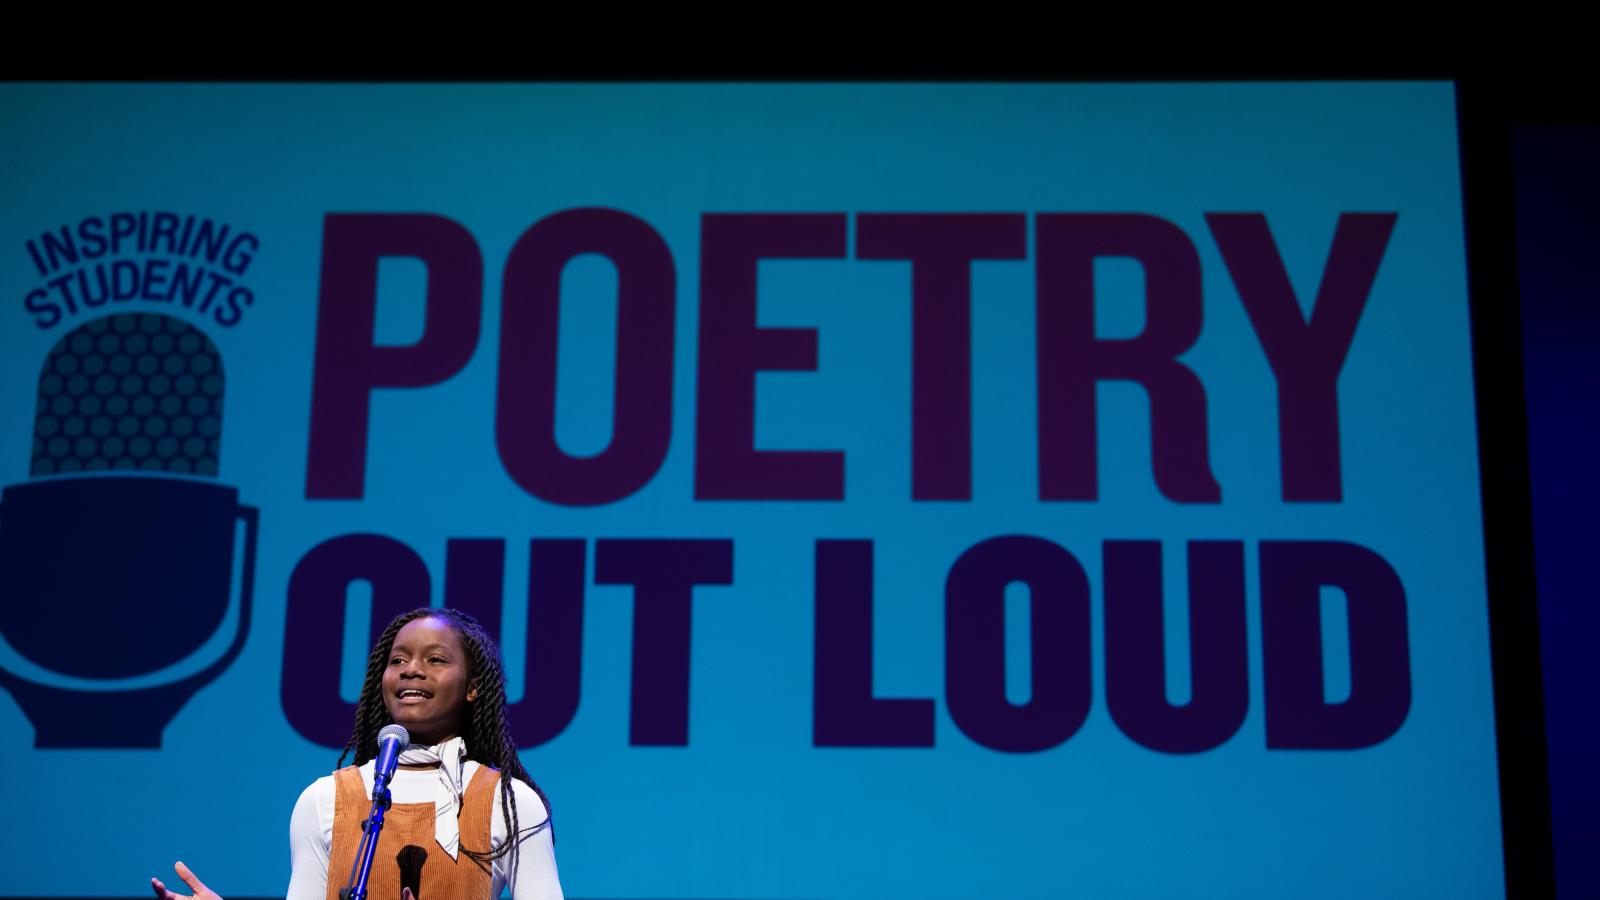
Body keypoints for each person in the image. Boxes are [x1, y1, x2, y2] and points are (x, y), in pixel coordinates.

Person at [154, 607, 563, 900]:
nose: (410, 669)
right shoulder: (325, 799)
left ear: (474, 687)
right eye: (397, 660)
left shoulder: (510, 804)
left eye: (435, 660)